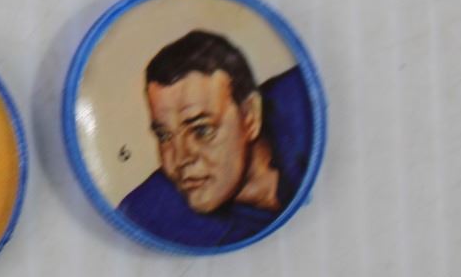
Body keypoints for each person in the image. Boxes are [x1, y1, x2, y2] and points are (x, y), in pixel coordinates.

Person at [117, 30, 315, 248]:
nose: (180, 158)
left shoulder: (305, 102)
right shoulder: (148, 219)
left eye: (202, 131)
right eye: (164, 135)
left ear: (249, 117)